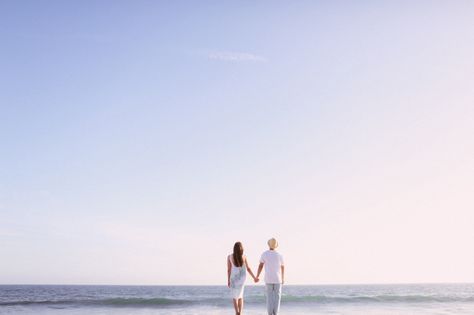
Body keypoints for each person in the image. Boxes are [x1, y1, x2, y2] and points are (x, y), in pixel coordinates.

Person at [227, 241, 258, 315]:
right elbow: (248, 268)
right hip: (242, 278)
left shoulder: (229, 257)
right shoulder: (244, 256)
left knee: (235, 297)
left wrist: (228, 280)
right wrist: (254, 277)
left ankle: (236, 312)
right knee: (240, 296)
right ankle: (240, 313)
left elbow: (229, 270)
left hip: (234, 278)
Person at [255, 238, 285, 315]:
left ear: (269, 245)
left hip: (268, 279)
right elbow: (282, 267)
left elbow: (260, 266)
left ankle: (270, 313)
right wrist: (283, 278)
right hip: (278, 279)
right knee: (277, 298)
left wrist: (257, 276)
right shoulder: (279, 255)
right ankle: (276, 313)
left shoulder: (264, 254)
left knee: (269, 298)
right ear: (276, 246)